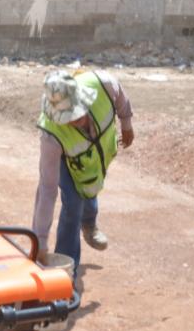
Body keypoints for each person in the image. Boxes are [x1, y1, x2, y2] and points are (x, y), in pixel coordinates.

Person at [32, 69, 134, 284]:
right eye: (67, 117)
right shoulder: (51, 136)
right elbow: (47, 190)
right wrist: (40, 241)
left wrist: (126, 122)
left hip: (93, 160)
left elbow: (121, 97)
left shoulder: (103, 84)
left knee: (90, 191)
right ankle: (65, 276)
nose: (75, 119)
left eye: (77, 112)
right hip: (67, 160)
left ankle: (89, 224)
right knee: (73, 205)